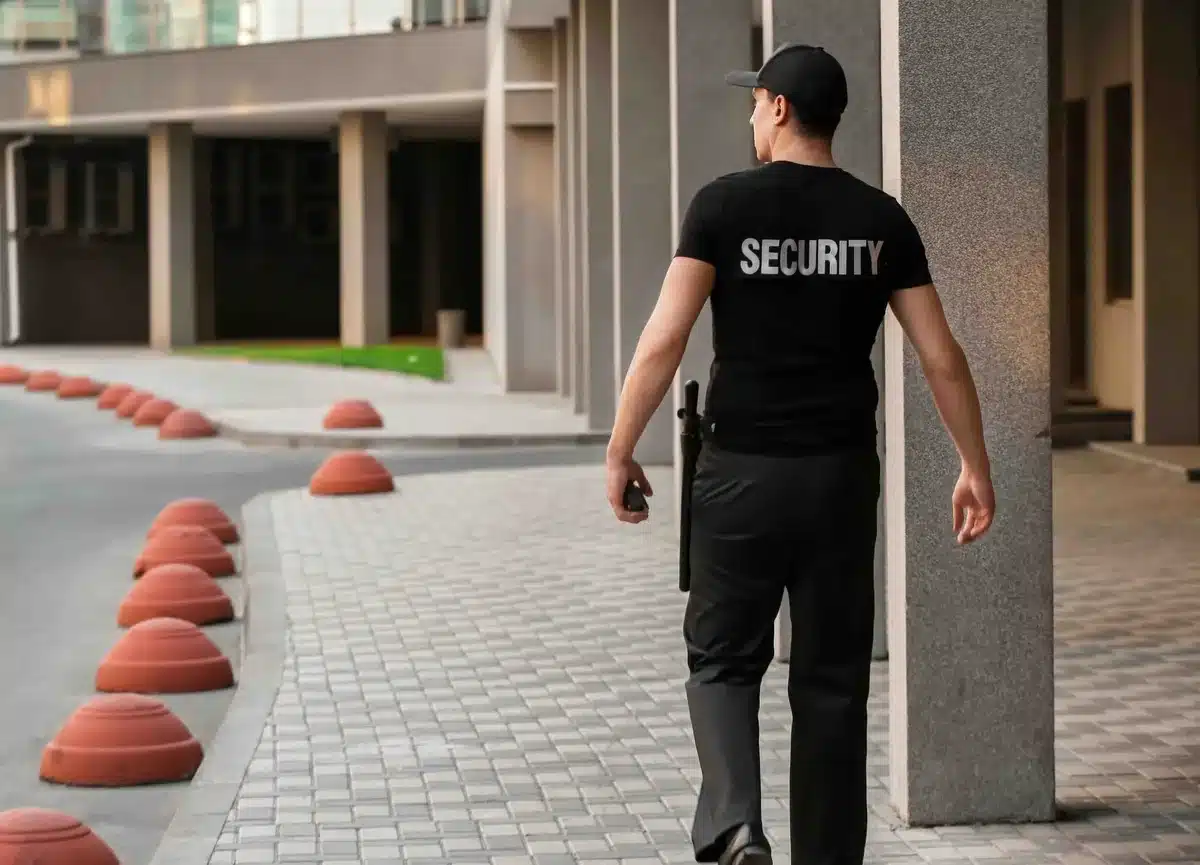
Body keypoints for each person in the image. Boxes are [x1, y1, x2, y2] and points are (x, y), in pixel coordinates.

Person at [603, 42, 996, 865]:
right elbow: (939, 354)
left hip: (739, 473)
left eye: (756, 102)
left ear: (779, 108)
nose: (751, 115)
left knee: (721, 658)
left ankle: (736, 824)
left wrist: (620, 447)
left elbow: (664, 340)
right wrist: (973, 465)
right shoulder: (880, 219)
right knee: (830, 682)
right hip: (839, 482)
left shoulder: (721, 207)